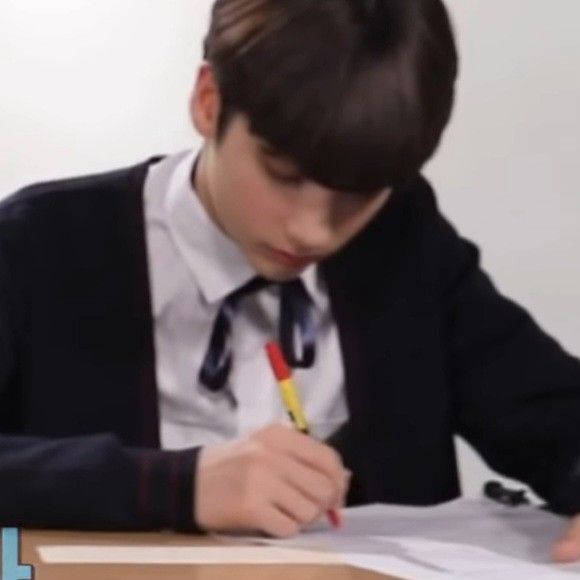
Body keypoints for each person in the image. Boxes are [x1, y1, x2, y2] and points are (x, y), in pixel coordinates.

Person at [1, 0, 579, 563]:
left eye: (357, 195)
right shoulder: (40, 241)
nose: (313, 233)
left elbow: (551, 412)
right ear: (208, 101)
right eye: (284, 175)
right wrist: (179, 484)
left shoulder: (403, 243)